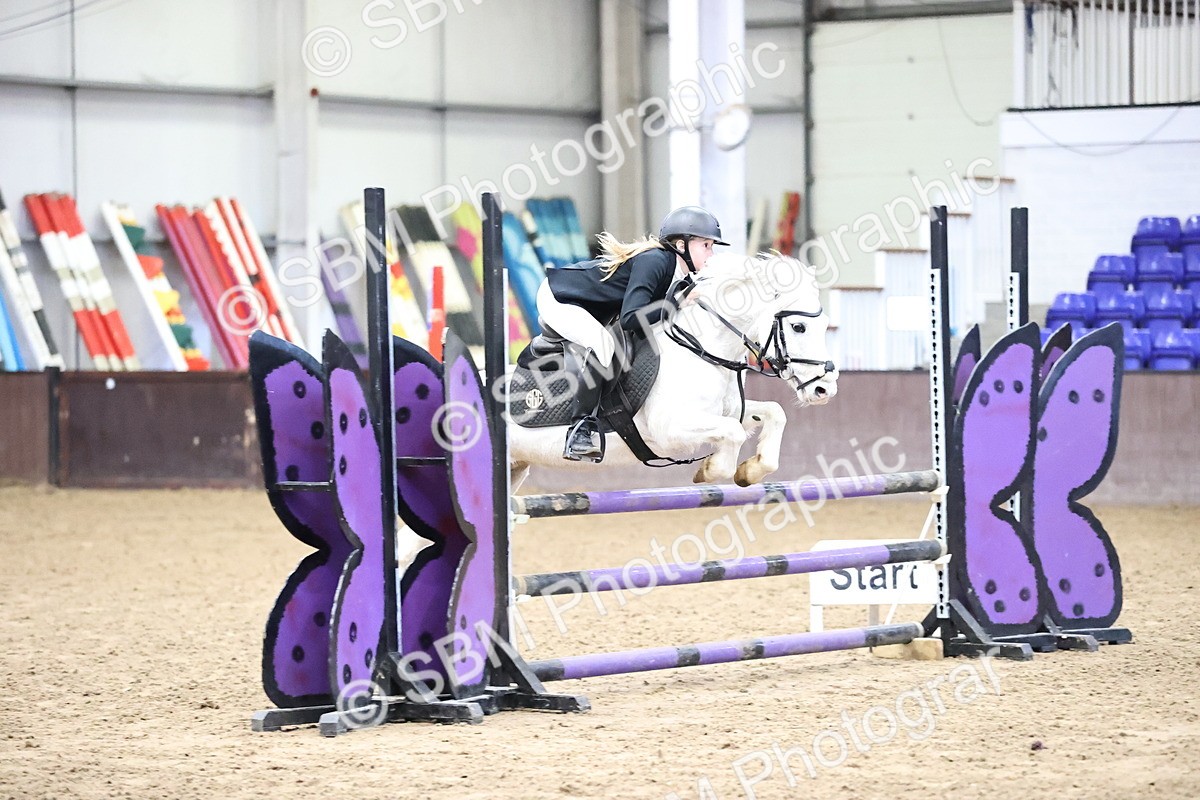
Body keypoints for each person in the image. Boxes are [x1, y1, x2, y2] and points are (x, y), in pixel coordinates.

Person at [535, 206, 728, 462]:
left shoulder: (680, 274)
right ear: (681, 245)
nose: (711, 253)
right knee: (604, 344)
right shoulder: (656, 261)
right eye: (706, 245)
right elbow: (630, 319)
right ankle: (581, 427)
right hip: (559, 297)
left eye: (712, 246)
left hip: (591, 306)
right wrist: (676, 304)